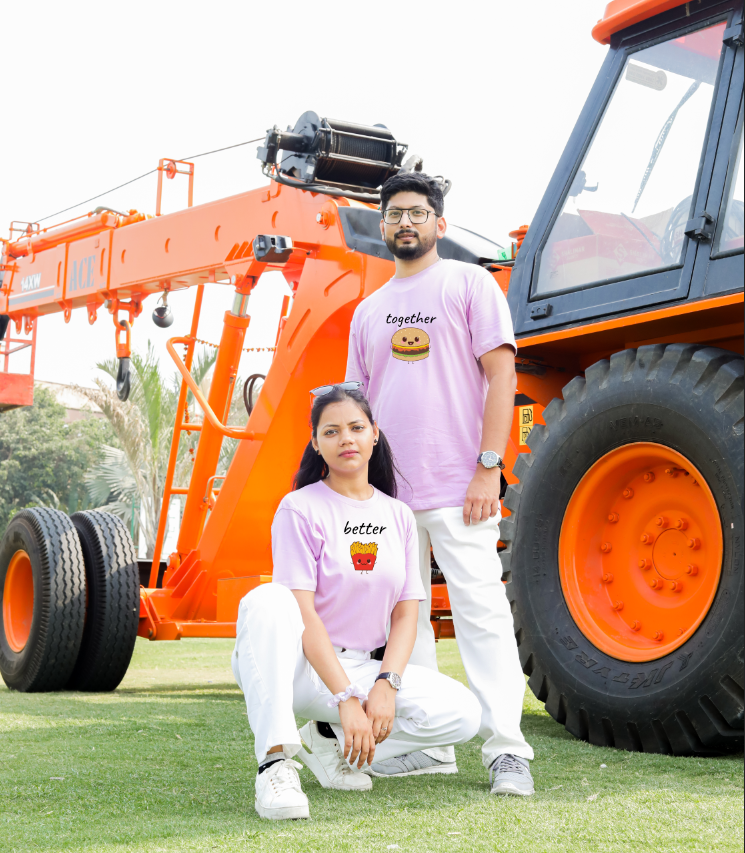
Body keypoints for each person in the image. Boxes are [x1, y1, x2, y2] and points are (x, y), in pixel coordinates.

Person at [345, 172, 535, 796]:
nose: (406, 223)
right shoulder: (367, 312)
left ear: (439, 224)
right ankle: (430, 749)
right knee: (407, 621)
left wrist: (489, 465)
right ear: (382, 226)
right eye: (396, 213)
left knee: (481, 613)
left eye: (418, 214)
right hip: (389, 499)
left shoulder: (469, 282)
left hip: (462, 487)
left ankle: (507, 748)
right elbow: (357, 410)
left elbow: (501, 375)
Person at [231, 384, 481, 820]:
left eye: (355, 427)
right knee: (269, 600)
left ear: (374, 434)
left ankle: (334, 744)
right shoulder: (298, 509)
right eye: (331, 431)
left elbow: (406, 613)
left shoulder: (398, 515)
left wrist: (387, 683)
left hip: (364, 667)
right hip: (300, 669)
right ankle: (275, 763)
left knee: (463, 715)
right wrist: (346, 696)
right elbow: (302, 612)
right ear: (316, 443)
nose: (346, 438)